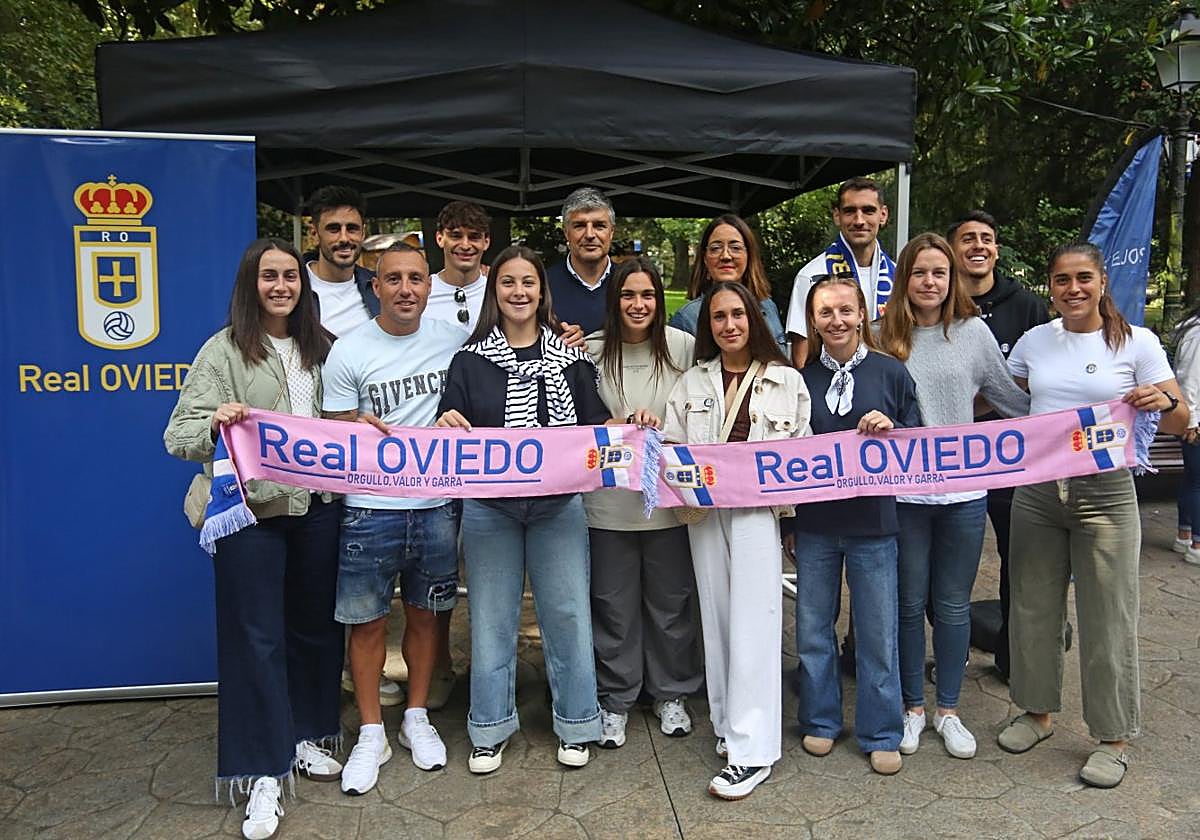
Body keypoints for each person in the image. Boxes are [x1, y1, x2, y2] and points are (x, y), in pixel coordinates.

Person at [164, 238, 342, 840]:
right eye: (269, 276)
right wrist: (216, 421)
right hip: (249, 515)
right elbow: (179, 434)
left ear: (303, 284)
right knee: (256, 638)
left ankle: (302, 737)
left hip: (317, 510)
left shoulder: (325, 349)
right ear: (251, 283)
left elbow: (346, 420)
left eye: (290, 276)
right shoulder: (223, 350)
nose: (281, 286)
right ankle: (262, 771)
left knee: (314, 628)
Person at [999, 242, 1187, 789]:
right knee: (1032, 604)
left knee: (1109, 614)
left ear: (1103, 281)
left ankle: (1112, 737)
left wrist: (1163, 402)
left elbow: (1181, 420)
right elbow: (1007, 400)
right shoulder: (1035, 341)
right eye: (1061, 280)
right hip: (1036, 489)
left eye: (1083, 278)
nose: (1073, 289)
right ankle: (1036, 712)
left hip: (1106, 492)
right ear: (1050, 286)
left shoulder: (1138, 342)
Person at [436, 245, 614, 774]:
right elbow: (452, 422)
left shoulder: (573, 359)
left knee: (567, 613)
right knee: (491, 616)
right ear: (496, 291)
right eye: (508, 283)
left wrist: (633, 432)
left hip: (558, 506)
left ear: (542, 292)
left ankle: (579, 720)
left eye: (528, 283)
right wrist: (447, 420)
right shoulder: (469, 360)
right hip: (490, 509)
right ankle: (489, 727)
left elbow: (597, 426)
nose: (518, 292)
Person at [877, 233, 1030, 761]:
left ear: (952, 279)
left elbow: (1011, 401)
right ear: (905, 278)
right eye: (920, 272)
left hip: (964, 494)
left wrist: (1077, 417)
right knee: (907, 601)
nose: (929, 282)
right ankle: (911, 709)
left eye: (939, 273)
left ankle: (949, 709)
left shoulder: (973, 332)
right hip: (902, 495)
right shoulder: (880, 336)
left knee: (952, 604)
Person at [321, 244, 466, 793]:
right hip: (369, 510)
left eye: (416, 279)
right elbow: (332, 438)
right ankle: (371, 730)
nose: (406, 289)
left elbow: (477, 402)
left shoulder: (453, 345)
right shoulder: (350, 350)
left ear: (431, 287)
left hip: (434, 506)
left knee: (428, 617)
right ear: (375, 286)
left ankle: (417, 716)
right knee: (367, 622)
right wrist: (358, 422)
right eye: (394, 279)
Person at [663, 281, 811, 800]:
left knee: (755, 623)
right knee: (718, 619)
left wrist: (787, 519)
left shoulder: (786, 381)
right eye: (719, 317)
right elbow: (672, 447)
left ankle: (754, 752)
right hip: (705, 513)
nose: (729, 325)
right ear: (709, 326)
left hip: (755, 513)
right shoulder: (692, 381)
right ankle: (729, 727)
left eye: (738, 315)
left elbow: (800, 454)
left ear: (754, 320)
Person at [791, 274, 920, 776]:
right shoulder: (799, 380)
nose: (837, 321)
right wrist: (789, 526)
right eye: (826, 313)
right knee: (813, 631)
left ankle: (881, 730)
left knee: (876, 632)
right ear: (813, 320)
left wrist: (895, 429)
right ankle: (821, 721)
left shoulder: (891, 372)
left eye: (845, 310)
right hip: (817, 524)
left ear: (862, 312)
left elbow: (921, 440)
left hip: (875, 525)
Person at [584, 257, 702, 749]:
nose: (638, 305)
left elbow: (705, 407)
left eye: (648, 295)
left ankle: (671, 692)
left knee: (671, 604)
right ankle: (617, 697)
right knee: (613, 605)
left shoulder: (685, 349)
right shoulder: (588, 352)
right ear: (615, 302)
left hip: (669, 502)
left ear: (660, 300)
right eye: (628, 296)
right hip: (607, 505)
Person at [948, 210, 1050, 681]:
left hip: (1010, 457)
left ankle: (1014, 657)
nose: (978, 246)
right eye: (967, 238)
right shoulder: (934, 303)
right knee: (940, 562)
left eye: (986, 238)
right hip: (948, 459)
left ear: (996, 249)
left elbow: (1040, 379)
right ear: (953, 250)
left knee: (1020, 558)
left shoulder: (1026, 305)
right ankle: (952, 647)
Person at [786, 177, 895, 366]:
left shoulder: (899, 275)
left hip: (885, 388)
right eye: (850, 211)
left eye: (868, 210)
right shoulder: (812, 276)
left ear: (883, 215)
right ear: (837, 216)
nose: (859, 220)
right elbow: (801, 356)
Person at [668, 214, 786, 349]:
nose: (725, 256)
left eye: (735, 248)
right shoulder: (687, 319)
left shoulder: (768, 306)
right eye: (715, 248)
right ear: (705, 259)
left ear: (749, 255)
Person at [304, 185, 379, 337]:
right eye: (334, 229)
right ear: (315, 234)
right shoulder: (291, 287)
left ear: (363, 233)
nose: (344, 238)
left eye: (352, 229)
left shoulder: (378, 287)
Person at [547, 187, 616, 335]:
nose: (590, 234)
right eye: (579, 226)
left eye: (599, 226)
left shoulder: (630, 282)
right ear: (566, 232)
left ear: (611, 232)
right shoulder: (543, 285)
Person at [426, 200, 492, 335]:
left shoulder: (498, 292)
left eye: (474, 237)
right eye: (456, 236)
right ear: (440, 238)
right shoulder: (421, 293)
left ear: (486, 242)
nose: (465, 245)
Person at [1174, 306, 1200, 566]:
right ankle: (1197, 543)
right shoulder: (1198, 333)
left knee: (1194, 480)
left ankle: (1185, 534)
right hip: (1196, 421)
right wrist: (1190, 421)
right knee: (1198, 481)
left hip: (1195, 417)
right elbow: (1189, 380)